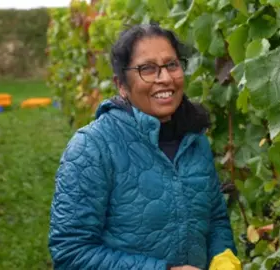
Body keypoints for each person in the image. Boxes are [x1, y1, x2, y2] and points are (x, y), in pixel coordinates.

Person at [48, 23, 239, 270]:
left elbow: (214, 220)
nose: (165, 78)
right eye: (147, 69)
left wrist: (222, 255)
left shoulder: (194, 140)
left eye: (172, 65)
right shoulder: (92, 146)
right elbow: (70, 253)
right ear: (121, 85)